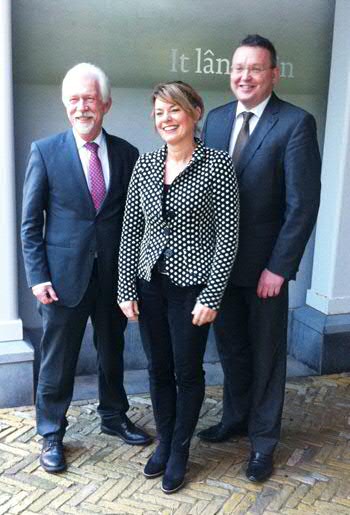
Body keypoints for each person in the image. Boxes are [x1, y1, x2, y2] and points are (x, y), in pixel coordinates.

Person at [197, 35, 321, 482]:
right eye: (237, 68)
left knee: (267, 358)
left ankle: (263, 443)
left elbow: (302, 205)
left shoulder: (295, 123)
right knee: (231, 350)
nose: (244, 76)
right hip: (219, 269)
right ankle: (235, 418)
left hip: (266, 270)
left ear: (273, 74)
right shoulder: (213, 121)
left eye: (254, 68)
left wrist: (280, 267)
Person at [21, 63, 152, 474]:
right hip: (62, 278)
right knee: (57, 358)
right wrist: (38, 275)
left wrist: (133, 276)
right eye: (74, 100)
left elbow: (136, 221)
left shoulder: (127, 153)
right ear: (65, 106)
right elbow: (30, 222)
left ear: (105, 104)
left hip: (114, 277)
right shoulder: (45, 151)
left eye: (90, 99)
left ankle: (113, 415)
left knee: (112, 350)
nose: (82, 107)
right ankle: (51, 432)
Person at [118, 81, 239, 494]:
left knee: (187, 371)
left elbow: (228, 235)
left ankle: (182, 450)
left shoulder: (216, 165)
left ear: (195, 112)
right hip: (149, 283)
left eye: (174, 110)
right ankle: (165, 442)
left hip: (193, 289)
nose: (165, 119)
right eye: (158, 113)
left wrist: (212, 295)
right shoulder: (145, 165)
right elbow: (131, 230)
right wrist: (125, 288)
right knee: (157, 368)